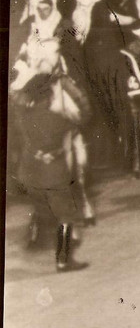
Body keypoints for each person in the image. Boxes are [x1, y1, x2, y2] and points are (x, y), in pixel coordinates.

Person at [10, 69, 93, 272]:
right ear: (49, 96)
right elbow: (83, 119)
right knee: (66, 216)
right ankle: (64, 260)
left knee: (43, 209)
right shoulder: (59, 120)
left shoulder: (23, 118)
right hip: (53, 175)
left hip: (29, 174)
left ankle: (37, 236)